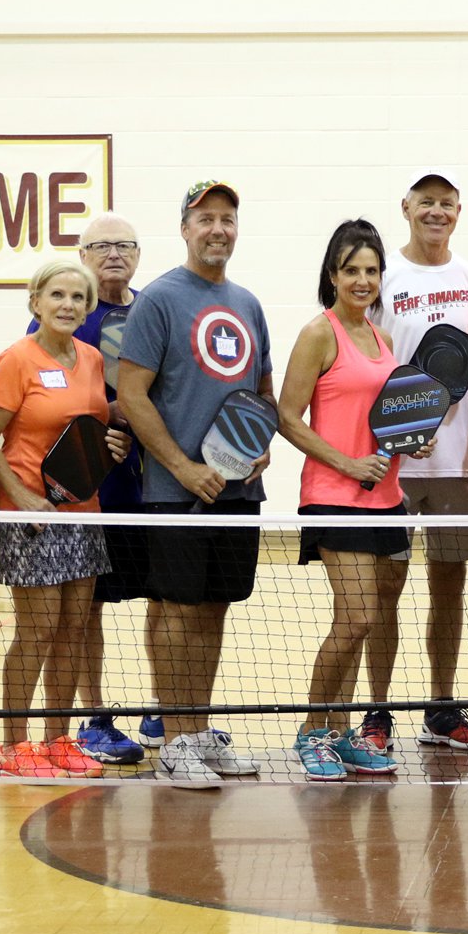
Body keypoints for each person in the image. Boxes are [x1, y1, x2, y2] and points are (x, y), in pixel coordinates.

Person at [119, 180, 271, 785]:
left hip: (237, 493)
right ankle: (175, 738)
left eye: (227, 219)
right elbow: (132, 394)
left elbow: (262, 394)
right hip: (173, 492)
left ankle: (199, 730)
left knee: (213, 612)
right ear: (185, 228)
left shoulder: (249, 304)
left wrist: (256, 453)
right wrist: (183, 468)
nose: (217, 229)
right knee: (177, 613)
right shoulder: (158, 300)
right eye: (205, 218)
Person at [277, 219, 429, 780]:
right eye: (351, 270)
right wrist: (344, 462)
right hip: (334, 496)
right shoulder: (319, 334)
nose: (362, 280)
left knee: (369, 617)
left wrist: (414, 438)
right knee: (358, 618)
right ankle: (312, 733)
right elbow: (287, 417)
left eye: (371, 270)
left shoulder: (382, 338)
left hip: (387, 496)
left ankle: (339, 735)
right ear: (332, 275)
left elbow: (385, 418)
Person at [0, 260, 126, 782]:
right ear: (36, 300)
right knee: (36, 632)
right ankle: (14, 744)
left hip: (83, 514)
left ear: (88, 307)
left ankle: (59, 738)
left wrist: (118, 442)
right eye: (57, 295)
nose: (68, 305)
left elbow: (93, 433)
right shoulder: (16, 360)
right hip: (31, 517)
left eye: (77, 298)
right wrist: (20, 497)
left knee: (72, 630)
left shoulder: (90, 359)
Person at [365, 170, 468, 752]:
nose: (436, 212)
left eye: (446, 203)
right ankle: (377, 712)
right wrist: (384, 440)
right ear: (406, 208)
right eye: (425, 203)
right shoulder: (380, 278)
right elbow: (361, 364)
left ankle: (441, 708)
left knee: (450, 587)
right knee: (383, 590)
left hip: (455, 464)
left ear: (459, 212)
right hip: (390, 465)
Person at [24, 212, 149, 766]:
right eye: (102, 245)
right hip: (88, 492)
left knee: (166, 599)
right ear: (82, 254)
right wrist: (121, 418)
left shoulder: (154, 309)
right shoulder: (60, 320)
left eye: (125, 245)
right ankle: (95, 716)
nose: (115, 254)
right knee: (86, 610)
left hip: (154, 485)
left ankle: (166, 706)